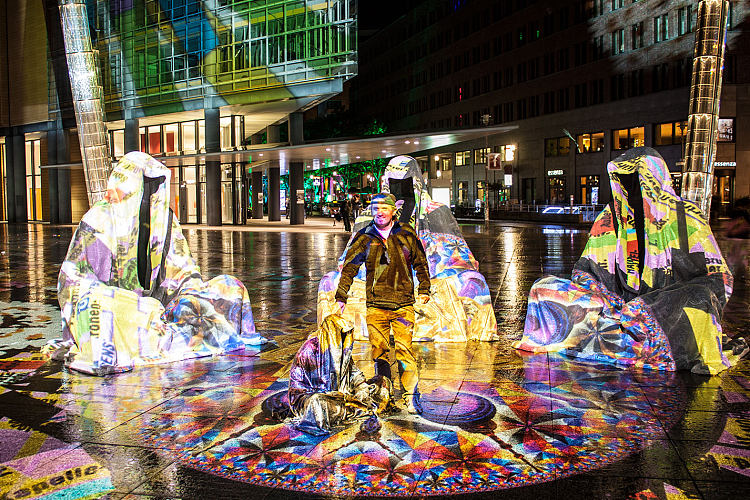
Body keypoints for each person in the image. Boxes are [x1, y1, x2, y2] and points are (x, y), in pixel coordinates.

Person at [516, 147, 747, 375]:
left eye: (637, 181)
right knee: (543, 289)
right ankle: (623, 334)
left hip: (665, 306)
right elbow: (586, 268)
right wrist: (606, 298)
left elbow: (718, 278)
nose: (632, 190)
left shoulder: (686, 216)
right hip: (614, 304)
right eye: (625, 181)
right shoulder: (610, 217)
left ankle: (627, 333)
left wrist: (656, 302)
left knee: (699, 299)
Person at [334, 193, 431, 413]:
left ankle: (410, 396)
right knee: (380, 353)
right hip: (376, 306)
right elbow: (349, 267)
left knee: (405, 352)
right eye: (375, 209)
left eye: (384, 208)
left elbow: (421, 262)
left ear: (393, 211)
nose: (379, 213)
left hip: (403, 305)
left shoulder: (406, 234)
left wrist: (425, 288)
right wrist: (341, 296)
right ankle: (384, 396)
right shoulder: (365, 236)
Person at [288, 315, 392, 435]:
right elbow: (297, 386)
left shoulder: (341, 349)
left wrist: (362, 387)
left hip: (342, 397)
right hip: (316, 397)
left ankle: (355, 407)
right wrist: (328, 394)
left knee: (382, 382)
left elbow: (354, 374)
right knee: (317, 403)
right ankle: (353, 409)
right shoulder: (310, 349)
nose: (346, 340)